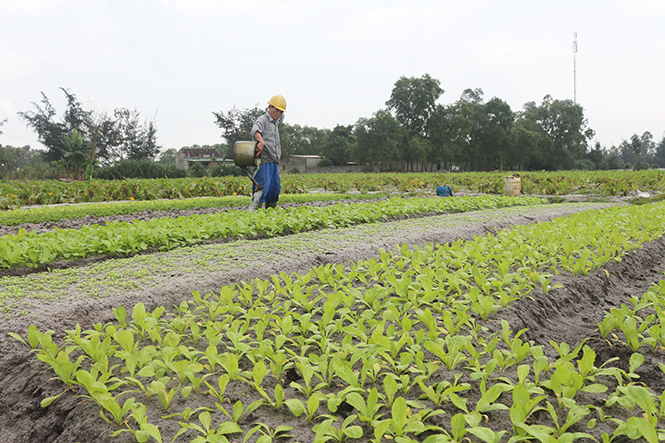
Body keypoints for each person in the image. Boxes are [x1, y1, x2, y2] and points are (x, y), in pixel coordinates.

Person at [249, 95, 286, 210]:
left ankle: (270, 215)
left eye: (281, 111)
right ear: (270, 107)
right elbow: (255, 129)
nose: (279, 113)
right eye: (277, 110)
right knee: (261, 188)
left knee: (274, 189)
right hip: (263, 161)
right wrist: (260, 140)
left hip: (274, 161)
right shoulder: (263, 119)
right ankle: (254, 212)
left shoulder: (275, 123)